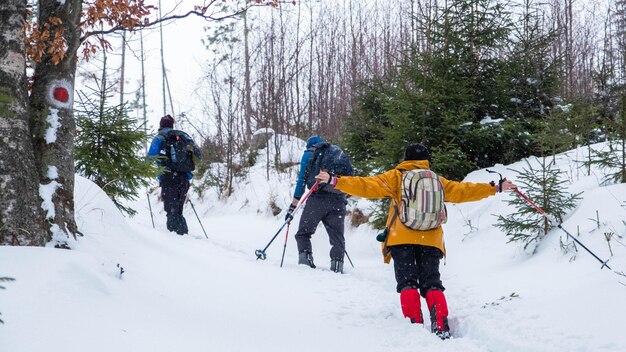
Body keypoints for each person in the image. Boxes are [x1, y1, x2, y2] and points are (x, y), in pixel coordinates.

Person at [315, 142, 516, 339]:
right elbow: (464, 191)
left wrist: (335, 180)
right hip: (431, 239)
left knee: (407, 282)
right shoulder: (437, 180)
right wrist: (495, 187)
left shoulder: (396, 177)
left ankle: (414, 327)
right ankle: (441, 325)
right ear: (426, 160)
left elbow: (367, 185)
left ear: (406, 159)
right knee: (432, 283)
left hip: (401, 238)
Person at [286, 136, 349, 273]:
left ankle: (305, 265)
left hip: (317, 199)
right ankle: (337, 266)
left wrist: (293, 206)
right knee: (337, 237)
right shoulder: (336, 152)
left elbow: (301, 181)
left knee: (303, 233)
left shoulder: (309, 154)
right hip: (338, 199)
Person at [147, 114, 202, 235]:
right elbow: (198, 155)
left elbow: (150, 157)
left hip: (168, 177)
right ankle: (183, 235)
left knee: (171, 210)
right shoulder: (182, 137)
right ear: (172, 125)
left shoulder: (159, 138)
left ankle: (176, 241)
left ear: (161, 125)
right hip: (184, 178)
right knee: (178, 210)